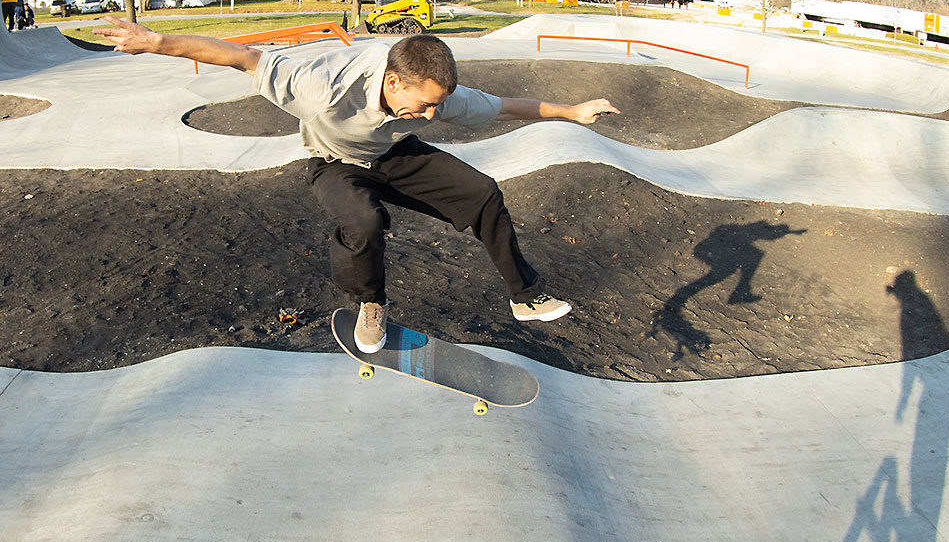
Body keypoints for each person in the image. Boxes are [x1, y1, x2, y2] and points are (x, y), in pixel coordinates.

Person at [96, 17, 619, 353]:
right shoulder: (321, 88)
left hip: (391, 153)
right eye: (426, 104)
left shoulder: (436, 95)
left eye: (439, 104)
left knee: (483, 192)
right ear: (393, 83)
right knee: (365, 220)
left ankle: (524, 295)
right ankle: (371, 302)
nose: (435, 114)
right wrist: (156, 42)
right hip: (333, 162)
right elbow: (240, 55)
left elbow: (505, 106)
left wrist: (572, 112)